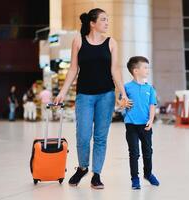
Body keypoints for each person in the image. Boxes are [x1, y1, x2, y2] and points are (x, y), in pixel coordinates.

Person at [54, 8, 131, 189]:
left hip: (106, 95)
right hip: (84, 96)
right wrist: (63, 92)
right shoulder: (78, 41)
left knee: (100, 137)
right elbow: (73, 69)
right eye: (103, 20)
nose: (107, 23)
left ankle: (96, 174)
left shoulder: (111, 42)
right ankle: (82, 168)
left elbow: (115, 70)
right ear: (92, 23)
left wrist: (123, 93)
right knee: (83, 135)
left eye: (107, 20)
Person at [122, 56, 160, 189]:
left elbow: (152, 105)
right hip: (131, 125)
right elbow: (121, 101)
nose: (147, 70)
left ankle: (148, 174)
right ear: (135, 70)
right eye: (145, 67)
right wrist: (122, 102)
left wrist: (151, 119)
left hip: (145, 124)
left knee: (148, 151)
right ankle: (135, 178)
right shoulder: (126, 87)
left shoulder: (150, 88)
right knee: (134, 152)